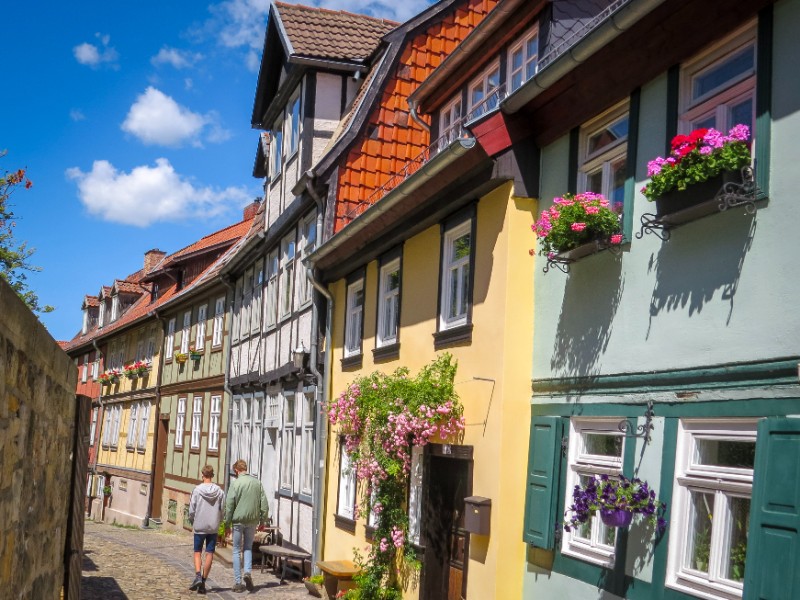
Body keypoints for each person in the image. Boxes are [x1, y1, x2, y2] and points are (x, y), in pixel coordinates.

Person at [224, 459, 269, 593]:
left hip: (238, 521)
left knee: (237, 550)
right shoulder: (257, 483)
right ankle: (248, 572)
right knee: (248, 548)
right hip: (252, 521)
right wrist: (263, 521)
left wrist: (227, 523)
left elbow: (229, 505)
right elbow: (264, 504)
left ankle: (238, 582)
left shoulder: (235, 484)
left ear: (236, 470)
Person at [188, 465, 225, 594]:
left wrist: (192, 519)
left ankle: (198, 575)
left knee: (197, 551)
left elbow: (192, 509)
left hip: (200, 525)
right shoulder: (220, 491)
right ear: (212, 475)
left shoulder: (197, 490)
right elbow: (222, 509)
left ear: (202, 475)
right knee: (210, 553)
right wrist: (219, 521)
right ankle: (203, 581)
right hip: (213, 526)